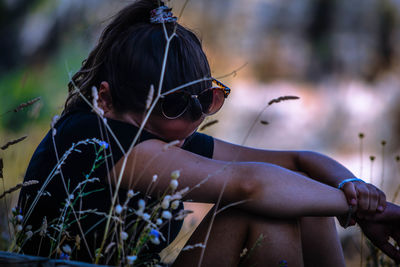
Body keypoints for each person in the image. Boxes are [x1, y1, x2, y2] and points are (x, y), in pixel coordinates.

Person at [18, 0, 400, 266]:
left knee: (298, 197)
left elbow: (301, 162)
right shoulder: (95, 139)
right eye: (169, 108)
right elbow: (253, 186)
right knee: (265, 207)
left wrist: (354, 188)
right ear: (106, 99)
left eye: (206, 101)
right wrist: (363, 210)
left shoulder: (169, 132)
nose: (190, 125)